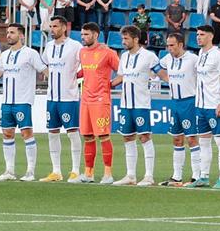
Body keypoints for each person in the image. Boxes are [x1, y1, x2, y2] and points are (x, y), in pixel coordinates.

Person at [0, 21, 42, 181]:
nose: (8, 35)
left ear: (21, 35)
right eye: (7, 32)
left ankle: (30, 171)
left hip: (23, 100)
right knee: (7, 134)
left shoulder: (30, 53)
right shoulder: (5, 54)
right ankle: (9, 171)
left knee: (26, 133)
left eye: (12, 32)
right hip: (6, 101)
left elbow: (43, 70)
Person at [39, 13, 85, 182]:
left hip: (69, 97)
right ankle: (56, 171)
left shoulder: (75, 46)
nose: (52, 29)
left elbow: (85, 64)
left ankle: (75, 170)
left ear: (64, 27)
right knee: (52, 132)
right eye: (51, 27)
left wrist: (77, 77)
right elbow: (44, 64)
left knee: (72, 133)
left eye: (55, 26)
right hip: (52, 97)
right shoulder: (49, 46)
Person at [113, 25, 160, 187]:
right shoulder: (124, 56)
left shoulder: (149, 56)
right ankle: (130, 175)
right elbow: (121, 76)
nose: (123, 41)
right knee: (127, 137)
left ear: (136, 39)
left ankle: (149, 176)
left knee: (145, 137)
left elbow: (161, 74)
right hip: (125, 104)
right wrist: (108, 85)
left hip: (141, 104)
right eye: (122, 38)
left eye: (126, 38)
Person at [76, 21, 121, 183]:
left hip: (101, 101)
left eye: (86, 34)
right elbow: (85, 71)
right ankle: (89, 174)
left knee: (103, 136)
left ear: (95, 35)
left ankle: (108, 174)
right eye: (82, 34)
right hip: (85, 100)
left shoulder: (108, 52)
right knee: (87, 137)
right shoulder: (82, 52)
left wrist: (111, 84)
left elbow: (122, 71)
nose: (83, 37)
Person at [156, 29, 201, 187]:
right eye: (167, 45)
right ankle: (177, 176)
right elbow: (156, 67)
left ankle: (197, 175)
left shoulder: (193, 59)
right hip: (174, 102)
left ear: (180, 44)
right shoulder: (168, 59)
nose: (169, 48)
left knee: (192, 139)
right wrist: (166, 78)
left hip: (189, 102)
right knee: (176, 138)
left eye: (172, 45)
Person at [192, 22, 220, 188]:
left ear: (210, 36)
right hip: (200, 106)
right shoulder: (200, 53)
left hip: (214, 105)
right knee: (204, 143)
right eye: (197, 35)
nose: (198, 38)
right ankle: (204, 176)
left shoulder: (219, 56)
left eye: (201, 35)